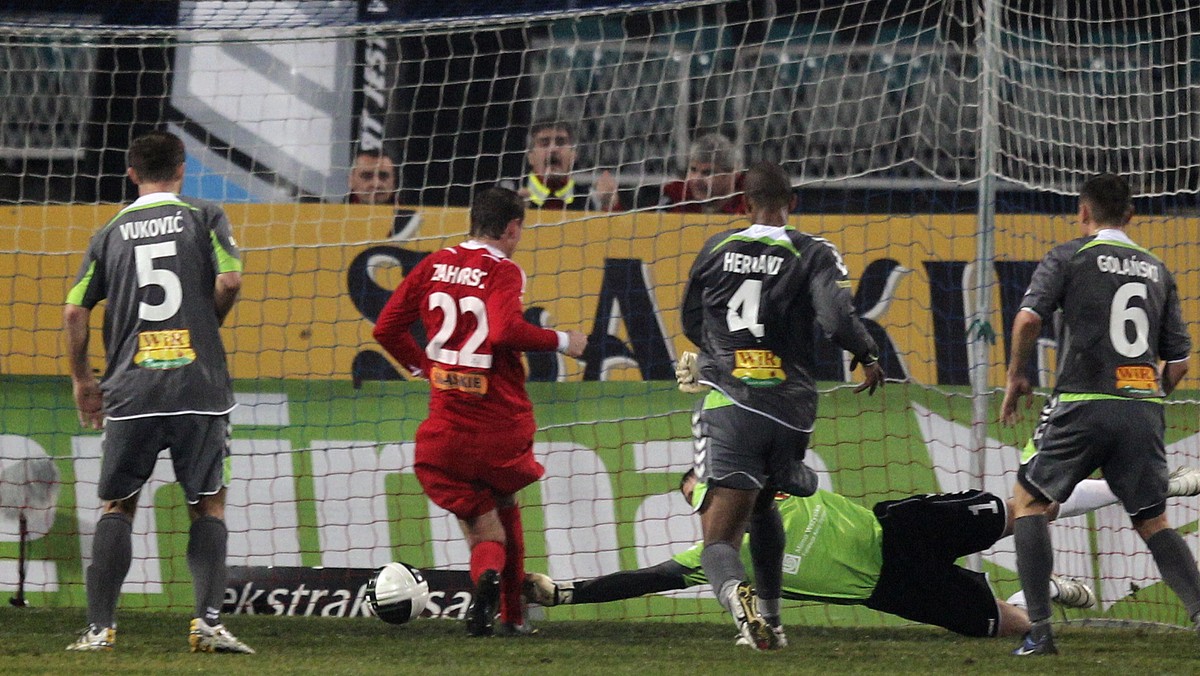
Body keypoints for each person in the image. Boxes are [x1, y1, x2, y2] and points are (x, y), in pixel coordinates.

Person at [524, 467, 1200, 639]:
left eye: (715, 489)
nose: (714, 504)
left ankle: (1144, 488)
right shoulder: (714, 556)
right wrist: (565, 593)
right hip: (892, 592)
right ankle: (1041, 592)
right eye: (704, 499)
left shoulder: (777, 485)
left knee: (1025, 504)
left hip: (899, 530)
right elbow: (643, 579)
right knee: (1013, 628)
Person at [678, 161, 885, 650]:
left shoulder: (717, 248)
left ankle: (738, 600)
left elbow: (690, 316)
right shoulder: (812, 251)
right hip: (791, 411)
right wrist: (867, 354)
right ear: (792, 203)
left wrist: (722, 358)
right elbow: (837, 318)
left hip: (730, 403)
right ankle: (773, 622)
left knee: (718, 541)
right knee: (765, 505)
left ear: (744, 204)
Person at [62, 130, 253, 654]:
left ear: (131, 173)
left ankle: (101, 629)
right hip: (199, 387)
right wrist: (208, 321)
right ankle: (207, 623)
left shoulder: (109, 232)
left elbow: (75, 310)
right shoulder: (204, 215)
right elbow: (232, 279)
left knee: (117, 506)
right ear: (182, 168)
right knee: (208, 505)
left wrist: (83, 380)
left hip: (132, 388)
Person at [373, 186, 588, 636]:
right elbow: (507, 328)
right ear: (512, 228)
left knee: (483, 529)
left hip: (447, 428)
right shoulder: (504, 270)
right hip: (499, 424)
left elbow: (387, 327)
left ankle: (491, 586)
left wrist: (425, 366)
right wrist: (564, 341)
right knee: (505, 505)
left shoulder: (434, 263)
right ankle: (511, 616)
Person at [1001, 173, 1200, 656]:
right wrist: (1147, 399)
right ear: (1132, 216)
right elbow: (1179, 362)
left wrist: (1016, 375)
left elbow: (1028, 318)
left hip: (1082, 403)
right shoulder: (1158, 269)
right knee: (1153, 520)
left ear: (1083, 212)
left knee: (1028, 503)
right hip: (1142, 406)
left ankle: (1042, 634)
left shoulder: (1070, 255)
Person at [513, 119, 621, 211]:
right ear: (530, 157)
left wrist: (610, 207)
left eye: (561, 142)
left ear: (573, 155)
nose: (553, 149)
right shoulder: (513, 195)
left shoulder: (591, 200)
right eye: (544, 143)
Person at [644, 133, 747, 214]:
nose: (696, 179)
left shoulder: (748, 205)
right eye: (693, 170)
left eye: (707, 173)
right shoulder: (675, 198)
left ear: (734, 175)